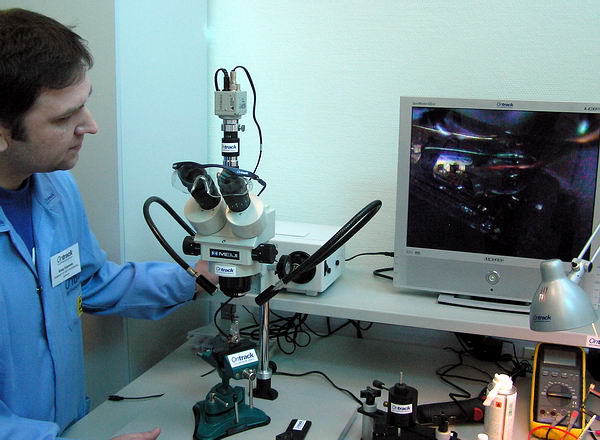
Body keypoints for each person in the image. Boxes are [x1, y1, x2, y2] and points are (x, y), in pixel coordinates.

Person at [0, 8, 217, 440]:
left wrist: (196, 280)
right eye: (64, 118)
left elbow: (88, 282)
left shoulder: (54, 187)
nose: (91, 126)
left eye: (84, 104)